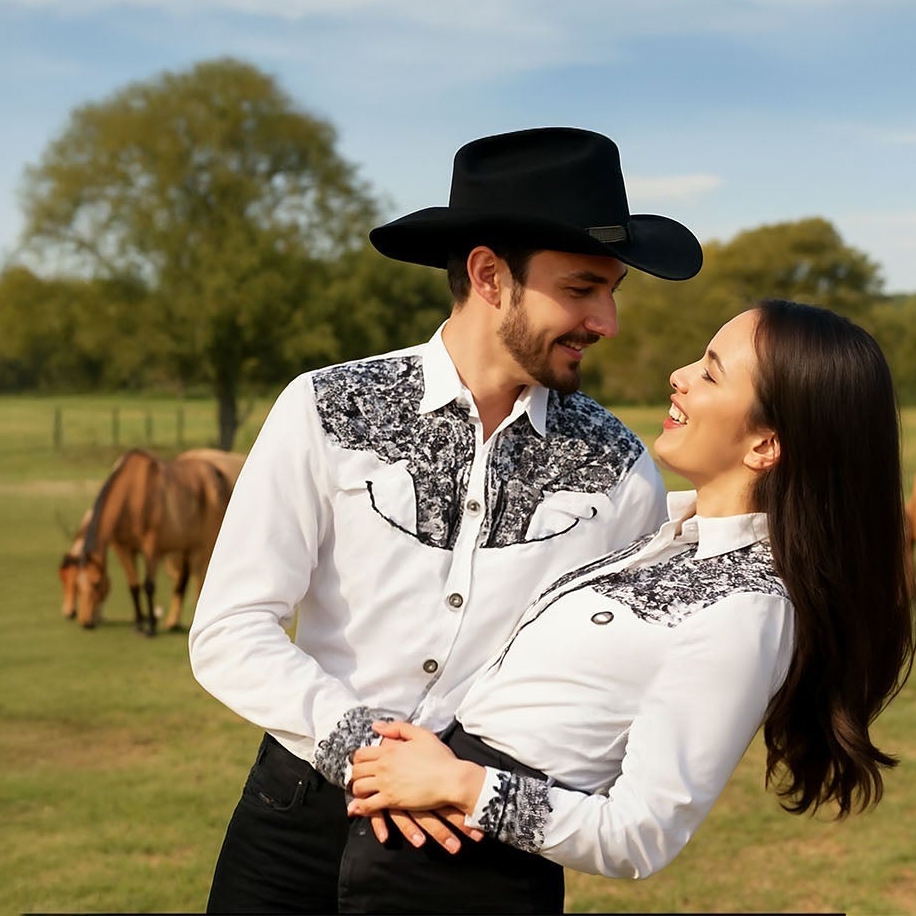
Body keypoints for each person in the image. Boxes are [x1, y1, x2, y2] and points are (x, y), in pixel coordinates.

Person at [188, 127, 705, 914]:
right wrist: (368, 751)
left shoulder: (619, 466)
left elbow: (622, 679)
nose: (607, 321)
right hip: (296, 829)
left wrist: (478, 786)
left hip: (484, 845)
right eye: (581, 288)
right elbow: (230, 628)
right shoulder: (327, 408)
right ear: (490, 275)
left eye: (612, 291)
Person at [336, 299, 916, 914]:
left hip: (469, 879)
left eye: (711, 372)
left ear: (764, 445)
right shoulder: (666, 541)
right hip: (417, 858)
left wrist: (464, 784)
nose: (679, 375)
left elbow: (641, 833)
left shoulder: (749, 607)